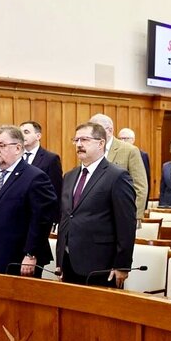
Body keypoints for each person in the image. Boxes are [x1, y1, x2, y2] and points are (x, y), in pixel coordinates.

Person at [0, 125, 56, 276]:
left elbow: (41, 220)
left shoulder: (35, 177)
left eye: (1, 145)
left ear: (18, 148)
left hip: (18, 260)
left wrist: (31, 254)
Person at [56, 122, 136, 287]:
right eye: (76, 140)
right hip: (69, 261)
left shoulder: (117, 176)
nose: (79, 144)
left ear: (101, 143)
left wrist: (122, 265)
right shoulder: (70, 176)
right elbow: (67, 217)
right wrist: (60, 259)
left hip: (100, 264)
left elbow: (126, 224)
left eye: (85, 140)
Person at [89, 114, 148, 219]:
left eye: (96, 130)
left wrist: (133, 217)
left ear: (110, 130)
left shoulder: (129, 150)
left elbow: (140, 187)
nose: (92, 134)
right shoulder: (90, 150)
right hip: (94, 216)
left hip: (122, 215)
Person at [20, 121, 63, 224]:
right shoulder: (15, 157)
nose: (22, 135)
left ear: (38, 136)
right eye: (19, 132)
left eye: (26, 132)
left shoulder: (50, 159)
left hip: (40, 216)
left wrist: (54, 221)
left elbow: (56, 190)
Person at [118, 127, 151, 206]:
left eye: (125, 139)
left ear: (133, 140)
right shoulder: (116, 154)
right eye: (120, 139)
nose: (122, 141)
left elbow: (145, 180)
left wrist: (143, 204)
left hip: (133, 197)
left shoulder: (142, 155)